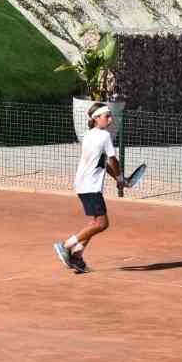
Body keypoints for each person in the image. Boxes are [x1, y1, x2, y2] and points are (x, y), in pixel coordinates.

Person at [54, 102, 127, 273]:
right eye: (106, 116)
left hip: (82, 184)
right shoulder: (104, 136)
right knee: (102, 223)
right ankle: (66, 245)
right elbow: (112, 160)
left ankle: (77, 257)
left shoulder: (88, 135)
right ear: (96, 119)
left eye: (110, 115)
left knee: (94, 222)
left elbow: (102, 163)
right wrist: (120, 177)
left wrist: (117, 177)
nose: (110, 119)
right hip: (90, 186)